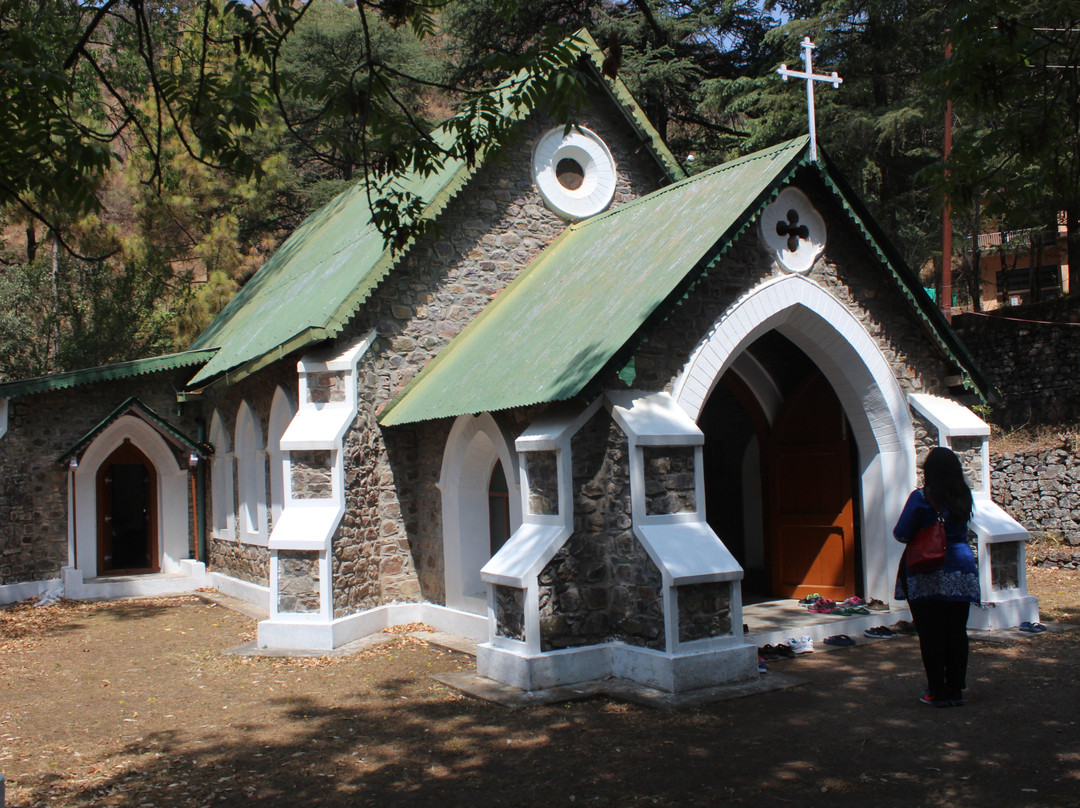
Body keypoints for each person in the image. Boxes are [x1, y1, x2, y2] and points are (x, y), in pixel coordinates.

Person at [894, 446, 980, 708]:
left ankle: (937, 691)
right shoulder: (964, 496)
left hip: (928, 570)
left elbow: (901, 532)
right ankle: (956, 690)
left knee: (931, 633)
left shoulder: (921, 497)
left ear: (928, 471)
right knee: (957, 631)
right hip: (962, 567)